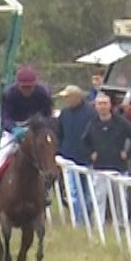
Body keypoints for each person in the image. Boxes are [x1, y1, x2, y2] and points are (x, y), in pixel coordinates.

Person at [0, 65, 53, 197]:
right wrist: (14, 128)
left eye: (30, 87)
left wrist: (38, 125)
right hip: (14, 129)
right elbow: (5, 117)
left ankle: (46, 189)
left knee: (45, 153)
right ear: (18, 85)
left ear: (35, 85)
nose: (27, 91)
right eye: (24, 87)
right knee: (0, 157)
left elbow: (48, 114)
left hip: (35, 128)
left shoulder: (43, 94)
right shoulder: (9, 94)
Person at [82, 92, 131, 227]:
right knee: (98, 198)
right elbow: (84, 142)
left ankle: (122, 225)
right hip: (100, 168)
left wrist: (127, 153)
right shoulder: (92, 124)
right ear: (95, 106)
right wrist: (91, 154)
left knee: (121, 199)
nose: (102, 106)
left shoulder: (121, 122)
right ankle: (99, 225)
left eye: (105, 103)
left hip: (119, 168)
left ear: (110, 105)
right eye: (99, 104)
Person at [54, 85, 96, 225]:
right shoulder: (64, 113)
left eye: (68, 97)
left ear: (76, 97)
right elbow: (59, 133)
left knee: (89, 193)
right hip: (69, 159)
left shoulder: (91, 113)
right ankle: (78, 221)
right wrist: (59, 151)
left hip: (87, 159)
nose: (66, 100)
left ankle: (87, 217)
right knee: (73, 192)